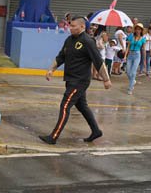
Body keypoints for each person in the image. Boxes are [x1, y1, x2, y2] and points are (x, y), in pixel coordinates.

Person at [39, 16, 112, 145]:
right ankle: (96, 131)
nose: (70, 28)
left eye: (73, 26)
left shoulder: (88, 41)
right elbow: (61, 57)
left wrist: (106, 79)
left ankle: (53, 137)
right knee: (82, 106)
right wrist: (51, 69)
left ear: (82, 27)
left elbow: (98, 61)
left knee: (65, 105)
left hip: (79, 81)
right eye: (70, 25)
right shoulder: (69, 40)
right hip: (70, 79)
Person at [124, 23, 146, 95]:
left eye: (139, 29)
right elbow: (128, 47)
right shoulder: (131, 36)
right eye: (136, 29)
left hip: (137, 55)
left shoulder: (143, 39)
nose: (137, 30)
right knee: (128, 71)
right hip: (130, 55)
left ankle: (130, 88)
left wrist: (144, 60)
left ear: (141, 30)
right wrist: (125, 56)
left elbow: (143, 50)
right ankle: (133, 81)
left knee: (133, 73)